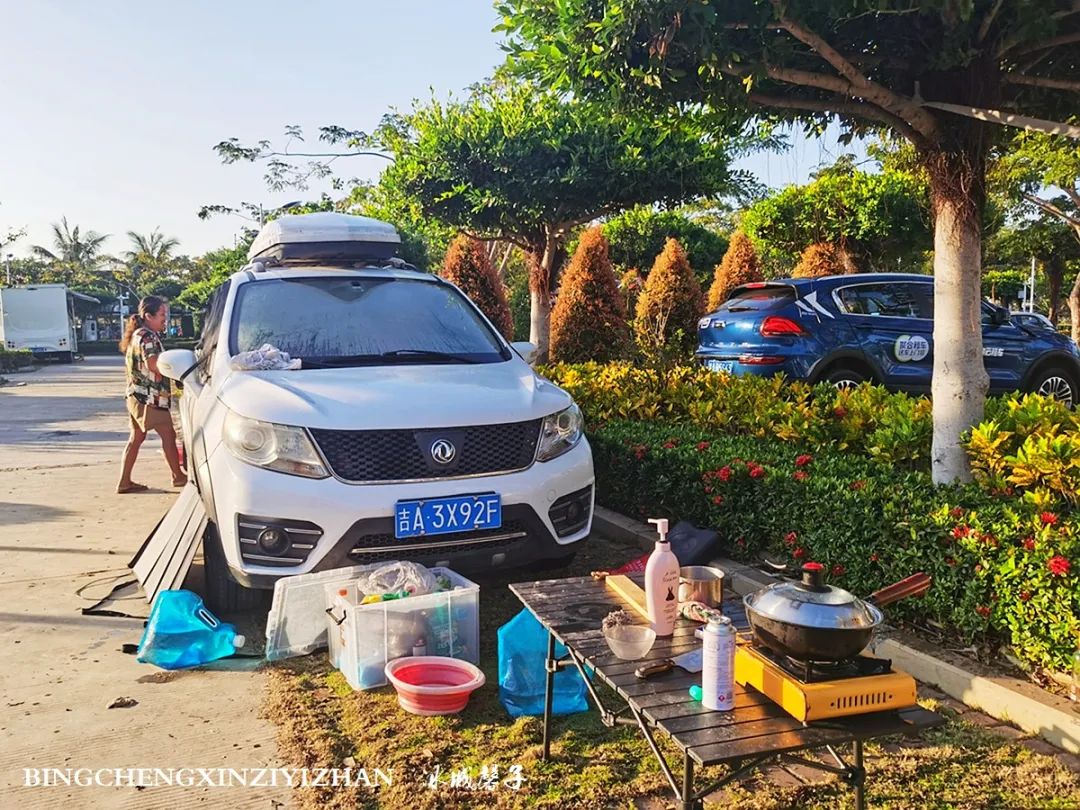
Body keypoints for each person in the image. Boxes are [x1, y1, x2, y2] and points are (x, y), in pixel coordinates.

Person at [116, 296, 187, 493]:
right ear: (149, 316)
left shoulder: (137, 335)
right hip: (150, 398)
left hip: (136, 396)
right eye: (162, 314)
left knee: (136, 438)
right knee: (168, 435)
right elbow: (153, 364)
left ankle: (124, 481)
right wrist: (177, 372)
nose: (165, 319)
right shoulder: (148, 337)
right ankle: (178, 476)